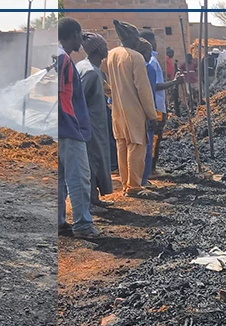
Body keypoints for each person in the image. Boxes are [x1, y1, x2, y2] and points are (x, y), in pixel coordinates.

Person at [105, 20, 158, 198]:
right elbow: (143, 90)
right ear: (133, 38)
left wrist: (112, 95)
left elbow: (104, 82)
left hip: (117, 109)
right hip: (134, 109)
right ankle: (134, 186)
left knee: (121, 145)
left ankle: (125, 184)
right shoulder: (135, 57)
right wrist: (152, 115)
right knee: (137, 146)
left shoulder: (110, 55)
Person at [58, 18, 97, 238]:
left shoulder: (58, 57)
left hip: (59, 129)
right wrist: (71, 124)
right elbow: (60, 94)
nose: (80, 40)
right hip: (69, 129)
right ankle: (83, 225)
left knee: (60, 179)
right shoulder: (63, 59)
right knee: (79, 177)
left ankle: (59, 222)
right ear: (73, 34)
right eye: (79, 35)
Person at [139, 30, 182, 187]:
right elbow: (154, 85)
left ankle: (152, 168)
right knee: (154, 139)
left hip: (158, 104)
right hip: (155, 105)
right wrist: (174, 83)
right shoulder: (150, 61)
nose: (156, 43)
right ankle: (150, 169)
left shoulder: (152, 60)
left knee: (156, 138)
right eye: (154, 41)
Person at [76, 32, 113, 215]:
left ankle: (95, 198)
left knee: (96, 161)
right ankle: (90, 203)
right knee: (92, 162)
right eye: (105, 46)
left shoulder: (88, 68)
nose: (107, 49)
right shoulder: (90, 72)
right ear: (99, 50)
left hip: (96, 124)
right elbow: (79, 99)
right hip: (90, 126)